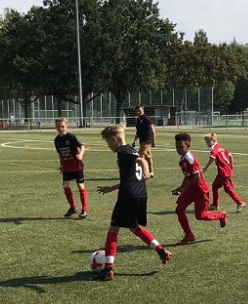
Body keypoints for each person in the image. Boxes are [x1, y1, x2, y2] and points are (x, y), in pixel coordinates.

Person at [94, 124, 171, 281]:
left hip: (128, 195)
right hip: (141, 194)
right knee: (134, 228)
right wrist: (112, 188)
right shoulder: (131, 149)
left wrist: (146, 169)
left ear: (114, 139)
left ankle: (108, 270)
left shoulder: (123, 152)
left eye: (108, 143)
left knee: (113, 229)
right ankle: (161, 250)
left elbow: (141, 160)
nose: (109, 146)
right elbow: (130, 176)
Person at [171, 132, 227, 245]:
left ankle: (221, 216)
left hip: (200, 190)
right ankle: (189, 235)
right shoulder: (183, 159)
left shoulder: (190, 159)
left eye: (181, 147)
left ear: (188, 146)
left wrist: (182, 188)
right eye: (176, 147)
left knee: (200, 216)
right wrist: (181, 187)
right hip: (190, 189)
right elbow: (188, 176)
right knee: (179, 210)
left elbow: (196, 177)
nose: (178, 149)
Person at [202, 132, 245, 213]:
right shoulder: (221, 148)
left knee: (227, 188)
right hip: (223, 172)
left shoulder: (214, 149)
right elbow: (230, 155)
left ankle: (240, 203)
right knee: (215, 186)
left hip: (224, 172)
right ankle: (215, 205)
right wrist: (231, 165)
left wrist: (205, 167)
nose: (207, 143)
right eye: (206, 142)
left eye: (208, 141)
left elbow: (212, 158)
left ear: (214, 140)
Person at [54, 117, 88, 218]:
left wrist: (80, 155)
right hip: (67, 165)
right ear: (56, 127)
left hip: (76, 164)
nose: (61, 129)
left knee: (80, 185)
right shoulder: (56, 140)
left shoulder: (71, 137)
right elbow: (60, 154)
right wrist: (61, 165)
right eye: (58, 127)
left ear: (66, 127)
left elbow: (82, 146)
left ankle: (84, 209)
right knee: (65, 185)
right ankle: (73, 207)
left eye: (62, 126)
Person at [134, 106, 157, 178]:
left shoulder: (146, 119)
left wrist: (153, 141)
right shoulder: (138, 120)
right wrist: (135, 140)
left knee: (140, 156)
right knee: (148, 157)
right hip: (142, 141)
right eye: (137, 111)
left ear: (143, 110)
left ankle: (141, 173)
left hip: (147, 141)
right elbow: (138, 131)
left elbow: (152, 130)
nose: (138, 112)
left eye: (139, 110)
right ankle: (151, 172)